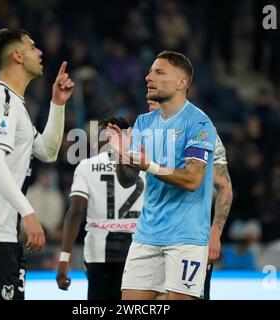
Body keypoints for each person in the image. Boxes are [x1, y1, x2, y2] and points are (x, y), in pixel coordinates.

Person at [0, 28, 74, 300]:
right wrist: (29, 213)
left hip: (0, 229)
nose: (40, 51)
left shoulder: (15, 105)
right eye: (32, 47)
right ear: (18, 56)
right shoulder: (2, 101)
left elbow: (47, 151)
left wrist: (57, 104)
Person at [107, 50, 217, 300]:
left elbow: (193, 179)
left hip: (186, 238)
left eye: (159, 72)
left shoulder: (199, 123)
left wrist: (149, 166)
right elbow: (127, 181)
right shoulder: (144, 122)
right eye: (149, 71)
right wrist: (123, 158)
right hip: (147, 235)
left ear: (182, 82)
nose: (148, 77)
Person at [147, 100, 233, 300]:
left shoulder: (200, 129)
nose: (151, 102)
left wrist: (215, 232)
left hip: (190, 237)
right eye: (149, 99)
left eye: (156, 99)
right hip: (150, 237)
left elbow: (224, 186)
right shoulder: (144, 132)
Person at [56, 116, 146, 300]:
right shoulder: (144, 164)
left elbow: (76, 211)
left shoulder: (86, 166)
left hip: (98, 251)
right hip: (138, 251)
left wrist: (65, 257)